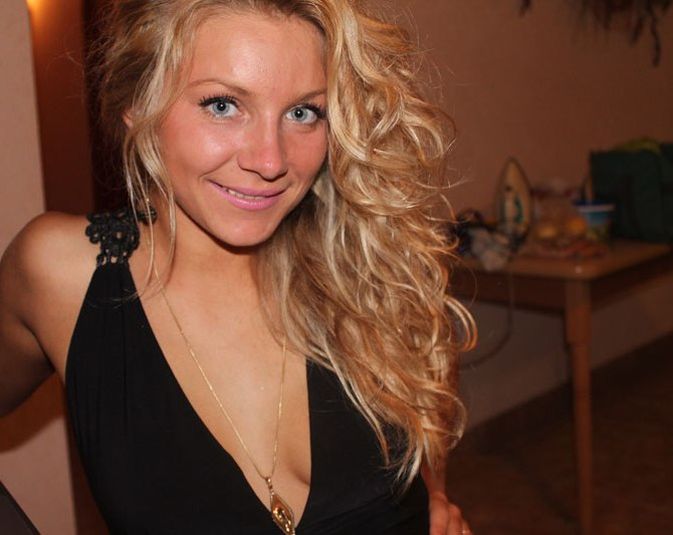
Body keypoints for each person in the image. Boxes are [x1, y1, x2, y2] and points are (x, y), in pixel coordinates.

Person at [0, 0, 475, 533]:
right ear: (138, 106)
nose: (270, 161)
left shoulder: (366, 265)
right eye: (223, 105)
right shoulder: (58, 274)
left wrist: (433, 491)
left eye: (303, 113)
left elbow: (426, 386)